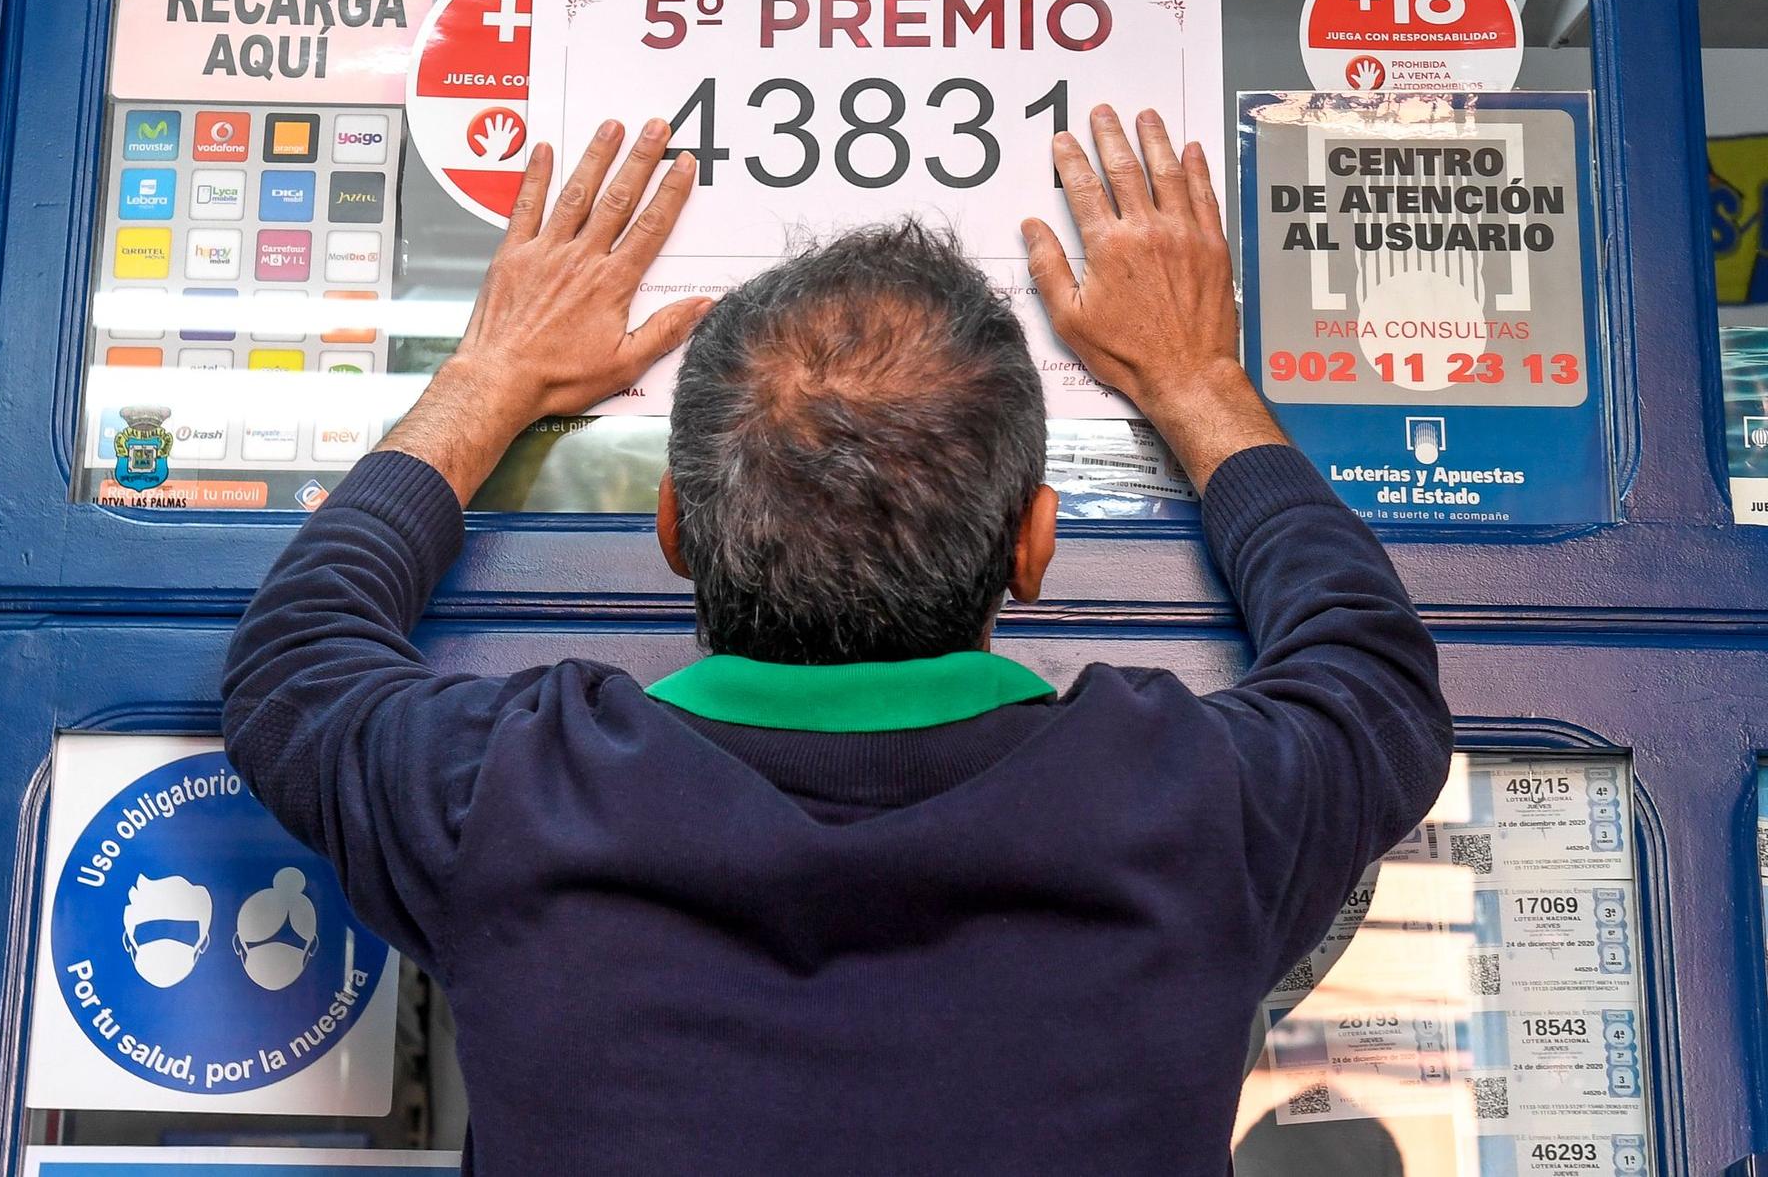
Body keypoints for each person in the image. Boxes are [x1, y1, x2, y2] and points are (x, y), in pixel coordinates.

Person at [222, 107, 1453, 1175]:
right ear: (1032, 547)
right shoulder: (1189, 810)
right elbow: (1369, 674)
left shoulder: (507, 793)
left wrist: (488, 373)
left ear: (672, 531)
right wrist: (1194, 379)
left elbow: (294, 658)